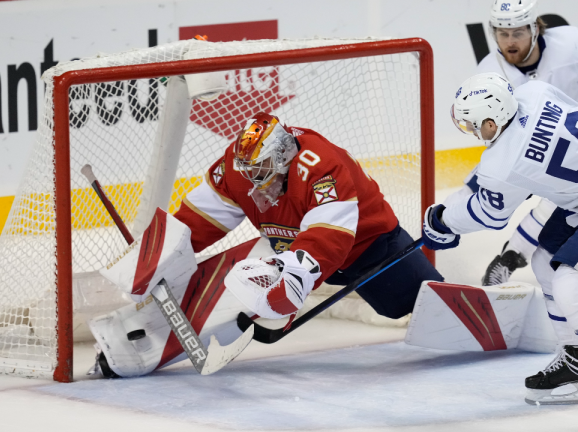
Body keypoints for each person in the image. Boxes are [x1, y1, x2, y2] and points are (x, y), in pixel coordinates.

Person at [89, 112, 442, 378]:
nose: (254, 180)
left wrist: (295, 277)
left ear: (285, 156)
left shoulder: (321, 167)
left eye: (264, 170)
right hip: (287, 249)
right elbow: (201, 219)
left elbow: (330, 237)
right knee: (233, 285)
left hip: (368, 246)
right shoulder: (239, 167)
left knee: (410, 305)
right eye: (249, 171)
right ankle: (127, 348)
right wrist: (159, 256)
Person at [424, 73, 578, 431]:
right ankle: (576, 360)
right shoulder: (533, 92)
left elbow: (489, 213)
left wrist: (443, 222)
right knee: (544, 260)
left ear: (492, 122)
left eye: (474, 125)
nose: (472, 132)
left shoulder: (502, 165)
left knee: (573, 286)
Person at [449, 0, 578, 286]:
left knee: (556, 202)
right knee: (470, 191)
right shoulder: (490, 74)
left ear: (535, 29)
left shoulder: (571, 45)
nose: (509, 41)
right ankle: (438, 240)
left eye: (517, 33)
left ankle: (509, 257)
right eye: (502, 33)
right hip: (541, 146)